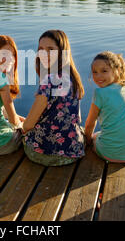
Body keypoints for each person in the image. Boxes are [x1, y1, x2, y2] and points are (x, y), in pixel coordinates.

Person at [22, 30, 86, 166]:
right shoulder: (73, 79)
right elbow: (75, 118)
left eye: (50, 49)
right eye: (41, 49)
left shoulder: (49, 81)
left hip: (42, 155)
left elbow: (28, 125)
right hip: (73, 152)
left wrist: (21, 127)